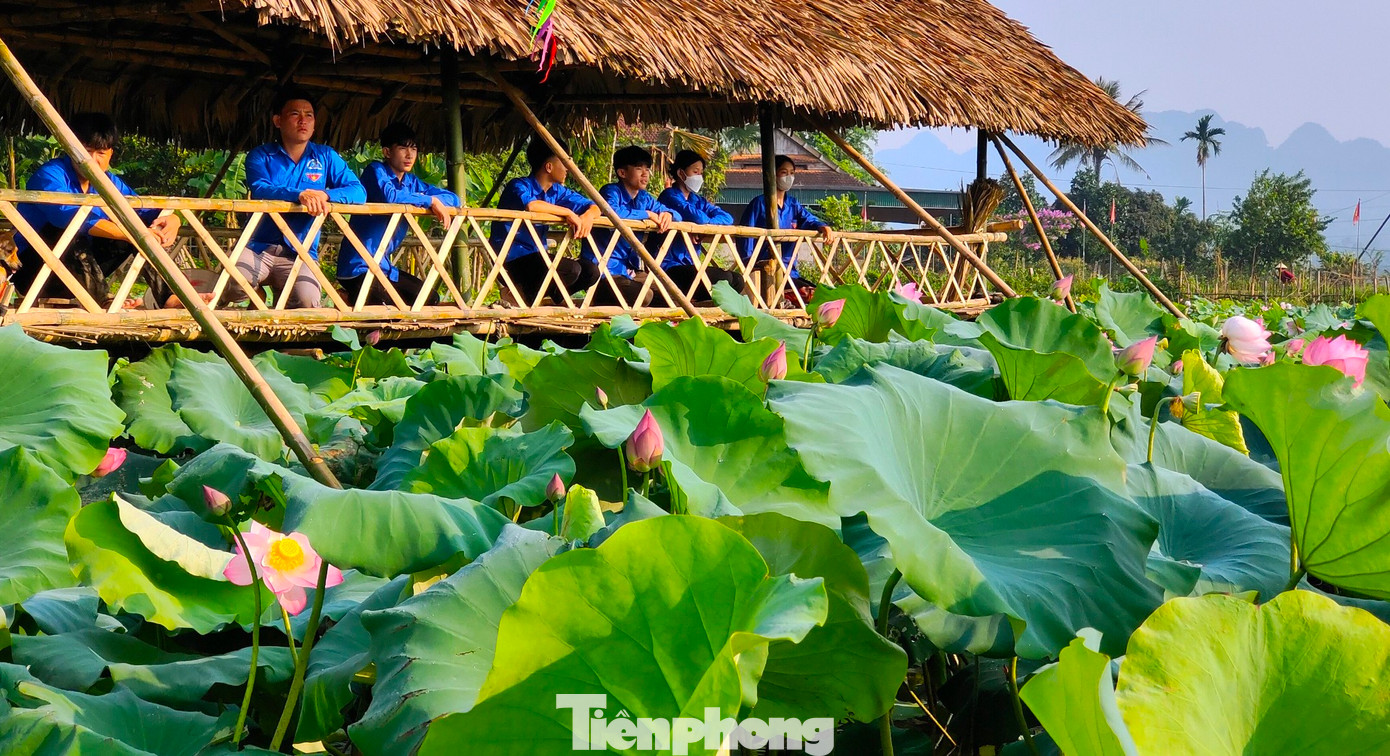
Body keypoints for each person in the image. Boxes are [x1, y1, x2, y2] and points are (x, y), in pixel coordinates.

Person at [10, 112, 182, 307]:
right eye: (86, 151)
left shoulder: (110, 182)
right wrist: (135, 234)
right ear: (70, 148)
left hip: (83, 274)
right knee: (71, 228)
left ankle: (170, 297)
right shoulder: (50, 175)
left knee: (141, 227)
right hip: (34, 271)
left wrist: (173, 219)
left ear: (110, 155)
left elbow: (144, 210)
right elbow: (65, 216)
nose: (92, 160)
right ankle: (102, 301)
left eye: (100, 153)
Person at [241, 86, 366, 308]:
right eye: (295, 114)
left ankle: (283, 326)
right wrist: (299, 195)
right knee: (234, 282)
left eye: (309, 115)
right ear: (277, 121)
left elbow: (358, 191)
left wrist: (325, 194)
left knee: (307, 301)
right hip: (259, 246)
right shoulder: (260, 155)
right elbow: (261, 188)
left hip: (300, 252)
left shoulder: (325, 156)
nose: (303, 121)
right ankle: (257, 297)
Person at [343, 122, 458, 307]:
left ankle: (352, 298)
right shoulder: (376, 171)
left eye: (413, 148)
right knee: (386, 306)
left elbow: (454, 199)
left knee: (430, 299)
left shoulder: (411, 181)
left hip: (384, 268)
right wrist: (430, 200)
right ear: (387, 152)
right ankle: (348, 297)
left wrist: (429, 198)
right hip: (358, 267)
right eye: (403, 148)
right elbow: (391, 196)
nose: (409, 154)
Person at [491, 138, 602, 305]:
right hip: (512, 258)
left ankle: (538, 296)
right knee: (571, 269)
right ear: (549, 167)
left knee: (591, 271)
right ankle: (521, 295)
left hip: (539, 257)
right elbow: (532, 205)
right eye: (564, 162)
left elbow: (595, 206)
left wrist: (587, 216)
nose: (567, 169)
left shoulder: (557, 191)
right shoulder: (518, 185)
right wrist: (567, 212)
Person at [590, 146, 678, 307]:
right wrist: (647, 214)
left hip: (630, 269)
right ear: (622, 173)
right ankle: (601, 303)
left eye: (647, 169)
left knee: (672, 294)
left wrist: (669, 215)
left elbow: (674, 213)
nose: (645, 174)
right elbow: (612, 212)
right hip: (605, 270)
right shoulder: (611, 191)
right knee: (644, 296)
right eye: (639, 169)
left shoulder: (644, 197)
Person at [736, 155, 834, 295]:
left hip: (790, 271)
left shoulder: (792, 204)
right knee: (806, 294)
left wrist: (822, 226)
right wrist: (750, 268)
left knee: (821, 294)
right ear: (773, 175)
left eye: (792, 173)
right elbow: (745, 239)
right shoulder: (759, 204)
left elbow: (808, 219)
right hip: (766, 271)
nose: (788, 177)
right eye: (784, 173)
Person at [657, 149, 745, 302]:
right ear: (681, 173)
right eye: (695, 172)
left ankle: (694, 301)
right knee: (722, 278)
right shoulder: (669, 196)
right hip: (669, 266)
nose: (699, 177)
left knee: (737, 280)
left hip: (691, 264)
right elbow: (697, 217)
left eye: (701, 173)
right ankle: (687, 299)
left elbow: (727, 218)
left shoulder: (698, 200)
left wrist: (705, 226)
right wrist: (701, 223)